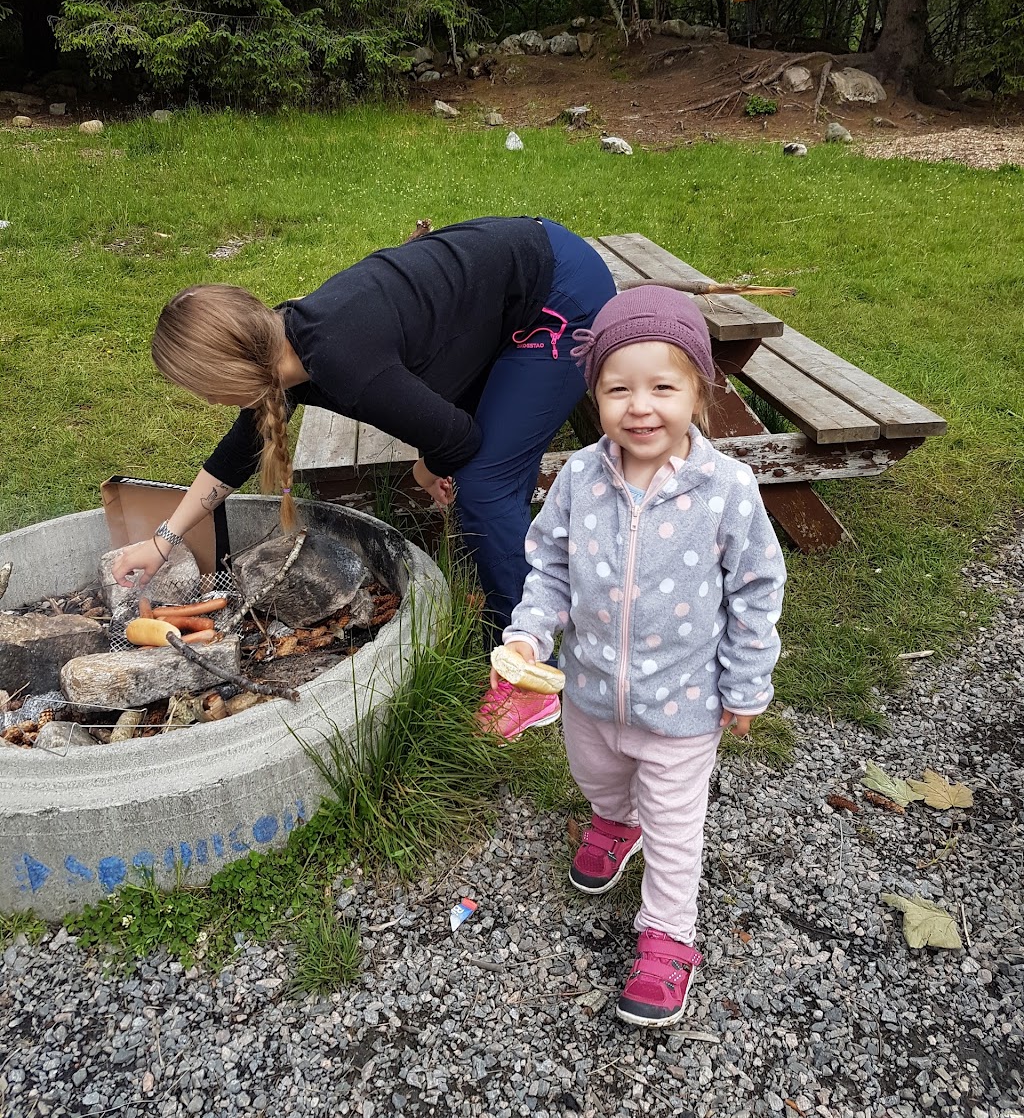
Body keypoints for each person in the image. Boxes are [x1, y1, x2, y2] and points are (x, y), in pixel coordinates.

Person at [111, 216, 616, 725]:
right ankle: (514, 610)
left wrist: (425, 470)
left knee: (485, 484)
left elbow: (458, 439)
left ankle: (530, 676)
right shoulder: (283, 344)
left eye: (200, 388)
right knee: (493, 475)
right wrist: (164, 539)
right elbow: (240, 450)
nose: (206, 399)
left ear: (227, 373)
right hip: (506, 286)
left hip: (559, 289)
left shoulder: (343, 362)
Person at [489, 285, 786, 1027]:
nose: (640, 407)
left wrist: (746, 683)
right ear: (594, 397)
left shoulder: (726, 489)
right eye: (618, 388)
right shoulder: (579, 479)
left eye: (663, 387)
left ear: (700, 394)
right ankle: (616, 821)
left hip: (683, 707)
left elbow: (756, 587)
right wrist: (529, 636)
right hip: (591, 692)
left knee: (676, 829)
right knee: (597, 775)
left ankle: (667, 938)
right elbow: (550, 569)